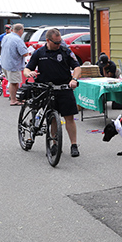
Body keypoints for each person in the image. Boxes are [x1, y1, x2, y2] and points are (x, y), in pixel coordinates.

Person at [23, 28, 82, 158]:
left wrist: (74, 79)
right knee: (52, 118)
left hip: (64, 88)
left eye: (60, 41)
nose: (58, 44)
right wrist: (29, 73)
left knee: (69, 118)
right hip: (47, 89)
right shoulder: (39, 53)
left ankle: (74, 145)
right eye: (56, 42)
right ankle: (54, 143)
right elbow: (27, 69)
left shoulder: (65, 51)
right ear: (48, 41)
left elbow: (77, 67)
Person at [0, 23, 30, 106]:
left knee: (13, 82)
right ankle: (13, 100)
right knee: (14, 83)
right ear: (21, 30)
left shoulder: (6, 37)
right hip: (13, 64)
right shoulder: (18, 40)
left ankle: (16, 98)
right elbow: (24, 53)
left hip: (5, 63)